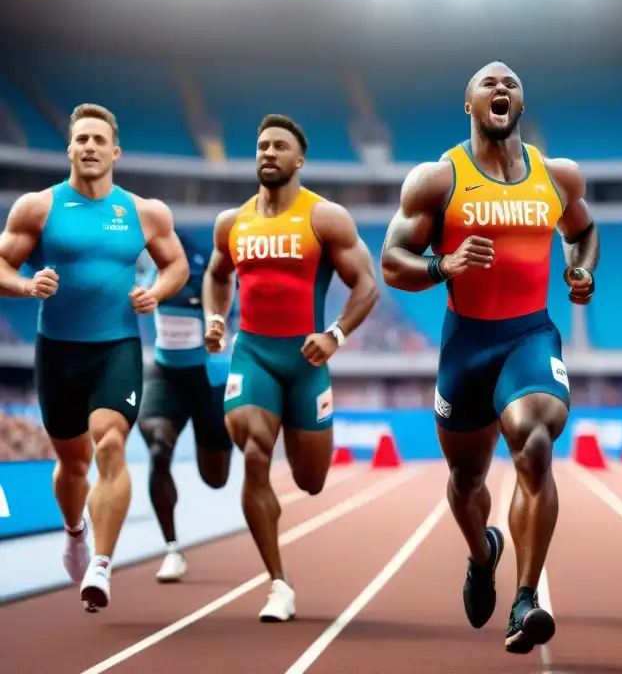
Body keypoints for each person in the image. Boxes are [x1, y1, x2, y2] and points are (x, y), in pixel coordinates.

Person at [380, 61, 598, 654]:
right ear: (470, 105)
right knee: (466, 479)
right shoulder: (437, 179)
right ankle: (483, 556)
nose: (501, 89)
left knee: (534, 442)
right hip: (466, 346)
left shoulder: (557, 177)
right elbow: (391, 259)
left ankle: (526, 600)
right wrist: (440, 266)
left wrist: (580, 269)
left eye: (511, 84)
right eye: (488, 84)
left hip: (530, 336)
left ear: (520, 105)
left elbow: (583, 230)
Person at [0, 103, 189, 611]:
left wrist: (156, 291)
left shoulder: (144, 212)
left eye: (98, 140)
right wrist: (24, 284)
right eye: (80, 138)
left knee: (110, 442)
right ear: (69, 148)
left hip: (116, 348)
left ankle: (102, 566)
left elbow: (175, 266)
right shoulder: (37, 209)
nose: (89, 146)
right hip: (57, 352)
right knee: (73, 462)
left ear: (114, 151)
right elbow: (1, 262)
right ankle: (75, 531)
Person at [202, 114, 379, 622]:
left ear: (298, 160)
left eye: (279, 146)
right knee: (255, 453)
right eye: (262, 146)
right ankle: (278, 583)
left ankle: (304, 463)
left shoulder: (326, 218)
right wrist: (216, 319)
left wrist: (335, 335)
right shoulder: (231, 224)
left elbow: (366, 285)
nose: (268, 153)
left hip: (306, 361)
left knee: (312, 480)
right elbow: (217, 276)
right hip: (253, 353)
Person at [137, 232, 238, 583]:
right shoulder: (149, 273)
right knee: (158, 447)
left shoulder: (213, 277)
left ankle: (222, 442)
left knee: (215, 478)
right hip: (165, 375)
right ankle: (171, 548)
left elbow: (233, 311)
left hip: (210, 379)